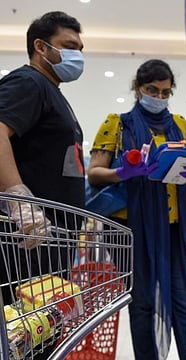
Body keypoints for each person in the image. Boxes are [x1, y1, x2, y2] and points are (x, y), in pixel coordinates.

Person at [87, 59, 186, 360]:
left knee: (185, 301)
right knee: (143, 303)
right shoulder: (117, 123)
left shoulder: (182, 126)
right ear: (137, 88)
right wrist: (124, 172)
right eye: (152, 90)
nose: (159, 97)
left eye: (165, 92)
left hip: (177, 230)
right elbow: (94, 173)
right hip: (133, 231)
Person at [0, 11, 85, 359]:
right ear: (40, 46)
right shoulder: (28, 83)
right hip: (29, 238)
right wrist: (20, 200)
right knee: (24, 335)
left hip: (49, 237)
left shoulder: (52, 91)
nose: (77, 55)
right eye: (69, 46)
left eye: (80, 48)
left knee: (41, 336)